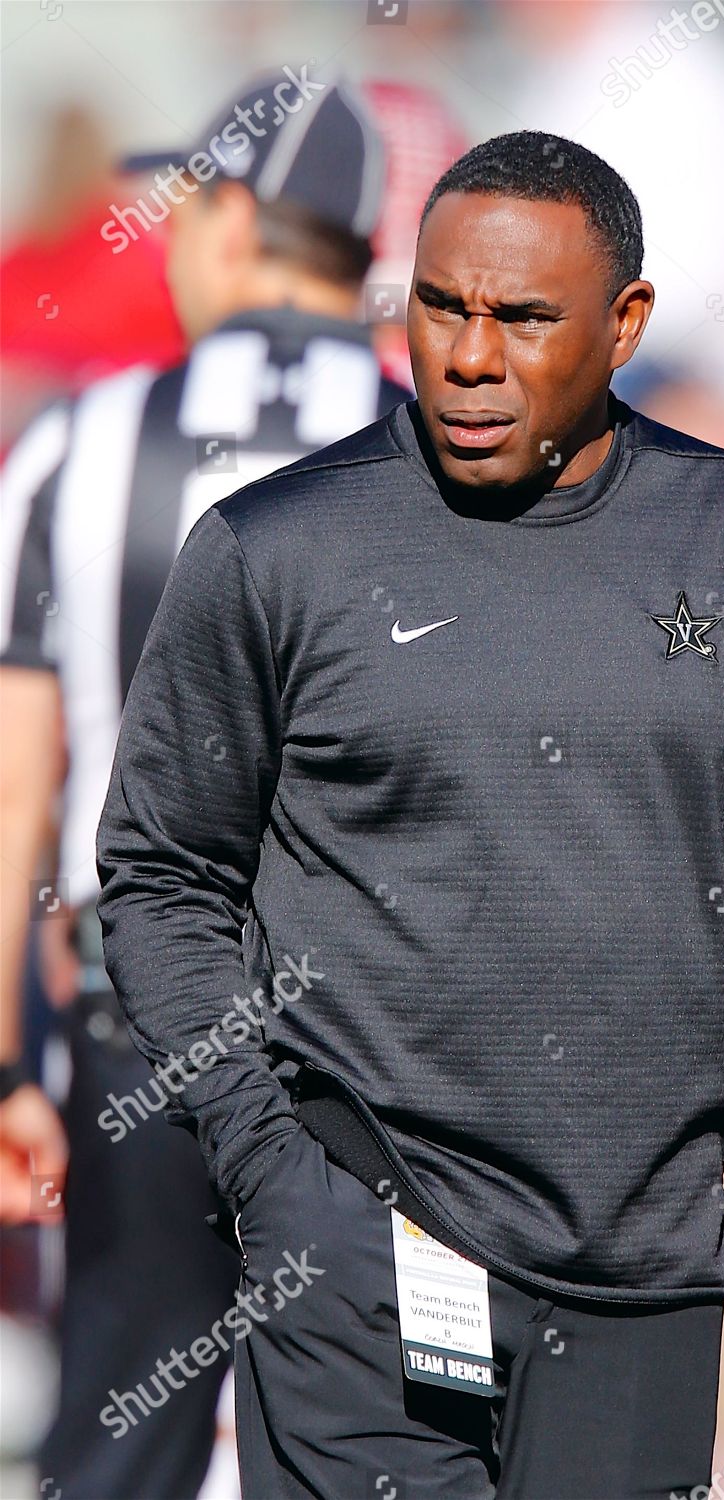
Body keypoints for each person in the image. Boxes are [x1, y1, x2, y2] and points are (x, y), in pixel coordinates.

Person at [96, 130, 724, 1500]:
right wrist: (272, 1171)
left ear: (626, 324)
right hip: (368, 1244)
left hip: (640, 1269)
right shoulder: (276, 548)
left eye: (523, 317)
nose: (469, 356)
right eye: (441, 306)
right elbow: (161, 882)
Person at [0, 70, 408, 1500]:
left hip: (148, 1024)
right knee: (383, 1443)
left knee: (122, 1438)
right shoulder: (466, 440)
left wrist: (6, 1057)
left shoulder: (83, 439)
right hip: (398, 1039)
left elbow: (15, 790)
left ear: (234, 221)